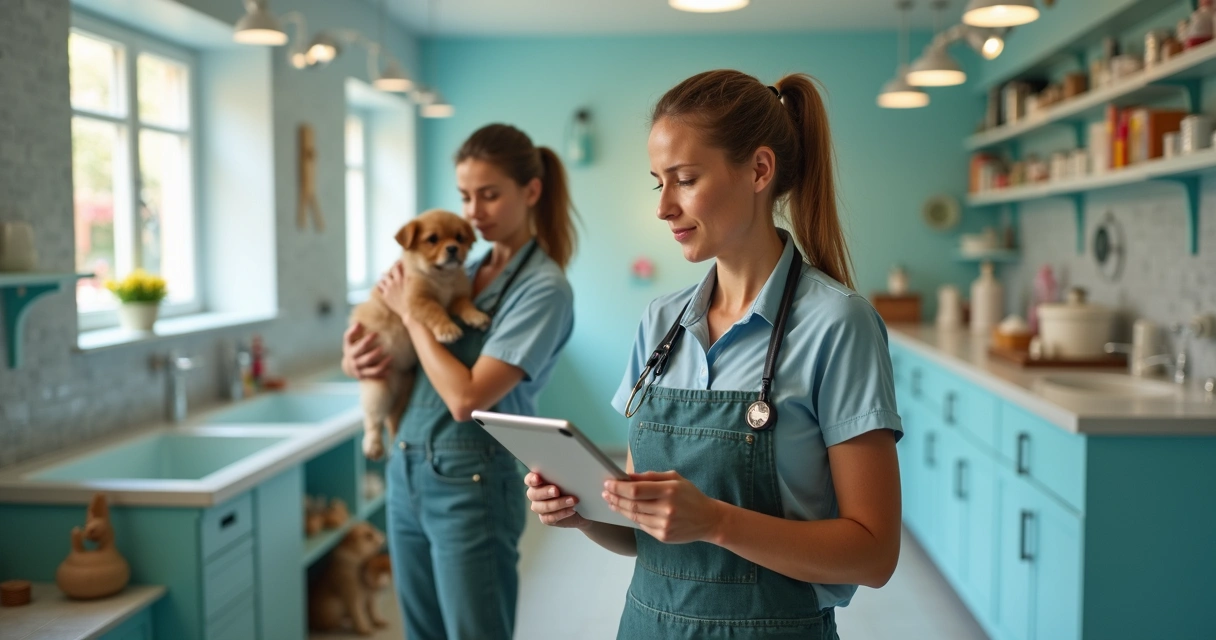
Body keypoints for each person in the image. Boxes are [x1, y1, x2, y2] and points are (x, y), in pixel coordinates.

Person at [525, 70, 903, 639]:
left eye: (685, 179)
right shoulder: (660, 321)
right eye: (659, 183)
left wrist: (718, 522)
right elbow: (642, 529)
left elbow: (874, 555)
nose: (664, 207)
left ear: (758, 169)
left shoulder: (838, 324)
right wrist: (583, 514)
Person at [342, 123, 577, 640]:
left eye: (490, 195)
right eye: (466, 196)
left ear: (531, 192)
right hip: (407, 470)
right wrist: (358, 358)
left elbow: (465, 398)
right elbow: (402, 353)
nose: (473, 212)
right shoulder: (461, 270)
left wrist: (410, 314)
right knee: (420, 631)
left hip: (471, 482)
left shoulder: (544, 289)